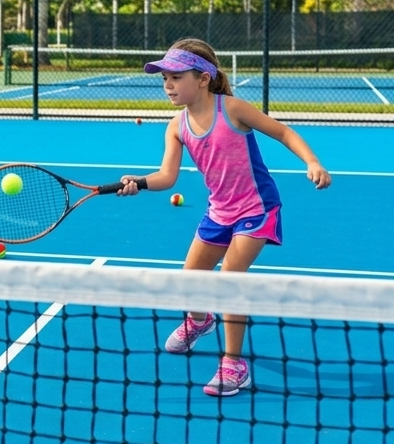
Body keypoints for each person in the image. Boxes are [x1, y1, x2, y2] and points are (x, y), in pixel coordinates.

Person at [117, 38, 331, 397]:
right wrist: (138, 182)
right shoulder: (176, 126)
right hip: (219, 211)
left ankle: (234, 364)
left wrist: (312, 162)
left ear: (203, 78)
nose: (167, 85)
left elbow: (282, 132)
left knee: (230, 279)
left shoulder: (232, 109)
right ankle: (200, 321)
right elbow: (166, 177)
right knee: (191, 280)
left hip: (256, 209)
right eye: (163, 78)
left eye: (175, 76)